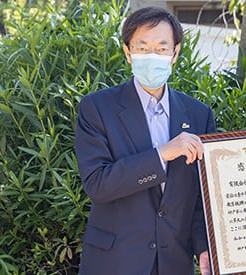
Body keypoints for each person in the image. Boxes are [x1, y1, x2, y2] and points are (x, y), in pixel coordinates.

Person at [74, 7, 214, 275]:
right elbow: (98, 184)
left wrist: (204, 248)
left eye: (162, 48)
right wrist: (162, 153)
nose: (153, 56)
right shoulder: (98, 108)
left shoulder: (198, 114)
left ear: (175, 53)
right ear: (128, 52)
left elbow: (199, 197)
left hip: (174, 263)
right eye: (143, 47)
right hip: (114, 262)